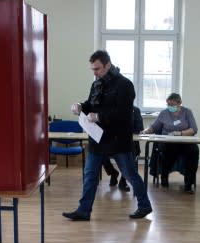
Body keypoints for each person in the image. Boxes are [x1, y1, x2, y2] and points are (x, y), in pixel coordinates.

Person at [62, 50, 153, 221]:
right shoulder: (96, 84)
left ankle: (145, 205)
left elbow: (124, 114)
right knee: (90, 174)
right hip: (98, 138)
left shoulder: (125, 85)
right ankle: (84, 210)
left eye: (97, 69)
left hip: (118, 139)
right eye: (93, 70)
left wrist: (99, 116)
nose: (95, 73)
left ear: (108, 65)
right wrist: (80, 106)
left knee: (130, 174)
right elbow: (91, 104)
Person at [142, 93, 200, 193]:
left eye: (172, 105)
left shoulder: (187, 112)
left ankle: (188, 183)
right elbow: (154, 127)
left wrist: (180, 133)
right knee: (170, 149)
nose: (170, 107)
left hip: (185, 141)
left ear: (179, 103)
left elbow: (194, 129)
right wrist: (145, 131)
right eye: (168, 104)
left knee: (194, 151)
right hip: (168, 142)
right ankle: (164, 176)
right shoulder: (164, 113)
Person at [102, 106, 144, 192]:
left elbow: (139, 127)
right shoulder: (110, 109)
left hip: (129, 143)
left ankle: (123, 180)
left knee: (130, 155)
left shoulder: (135, 110)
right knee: (100, 153)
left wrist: (123, 130)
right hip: (112, 142)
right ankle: (113, 173)